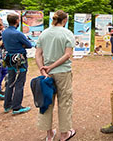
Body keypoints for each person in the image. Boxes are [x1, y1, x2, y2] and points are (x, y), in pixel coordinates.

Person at [36, 10, 76, 141]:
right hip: (63, 72)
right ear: (65, 20)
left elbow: (38, 54)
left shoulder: (44, 33)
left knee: (47, 102)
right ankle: (64, 134)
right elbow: (67, 55)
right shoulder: (67, 33)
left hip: (47, 74)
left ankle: (49, 134)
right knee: (64, 102)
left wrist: (43, 70)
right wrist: (51, 67)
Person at [2, 13, 32, 114]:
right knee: (19, 83)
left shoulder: (4, 32)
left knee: (10, 82)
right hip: (20, 59)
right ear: (17, 21)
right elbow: (29, 45)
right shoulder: (18, 34)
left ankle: (7, 105)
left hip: (9, 59)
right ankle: (17, 107)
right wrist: (21, 45)